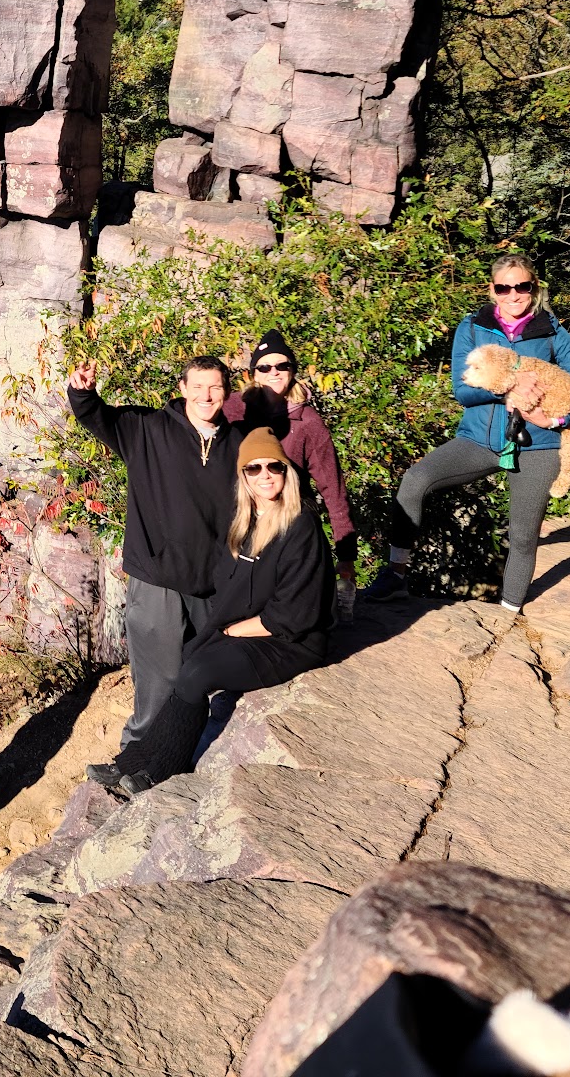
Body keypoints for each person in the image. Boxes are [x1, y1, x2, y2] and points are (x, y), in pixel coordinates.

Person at [370, 253, 570, 613]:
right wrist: (506, 386)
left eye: (522, 286)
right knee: (415, 480)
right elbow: (462, 392)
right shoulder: (472, 327)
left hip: (536, 447)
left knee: (524, 536)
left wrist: (557, 422)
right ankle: (395, 577)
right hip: (478, 442)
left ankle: (509, 613)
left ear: (534, 288)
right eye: (504, 288)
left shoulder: (551, 330)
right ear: (493, 290)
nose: (514, 295)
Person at [113, 426, 333, 794]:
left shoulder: (301, 525)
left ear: (286, 472)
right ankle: (136, 759)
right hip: (254, 630)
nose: (265, 476)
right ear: (243, 477)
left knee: (199, 672)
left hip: (291, 641)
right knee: (188, 659)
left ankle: (164, 769)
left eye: (273, 467)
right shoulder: (244, 523)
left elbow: (296, 612)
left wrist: (233, 631)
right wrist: (220, 630)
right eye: (254, 469)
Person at [67, 354, 241, 792]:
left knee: (207, 675)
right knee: (157, 675)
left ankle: (177, 760)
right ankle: (134, 757)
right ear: (182, 388)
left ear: (227, 391)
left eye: (215, 387)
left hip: (214, 580)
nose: (206, 396)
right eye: (197, 386)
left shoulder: (240, 445)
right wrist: (83, 390)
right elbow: (95, 416)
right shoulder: (147, 428)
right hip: (157, 575)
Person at [222, 329, 360, 617]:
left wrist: (346, 557)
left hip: (289, 519)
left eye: (282, 366)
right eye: (264, 367)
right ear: (253, 374)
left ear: (293, 371)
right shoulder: (233, 409)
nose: (274, 372)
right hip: (239, 515)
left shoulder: (308, 422)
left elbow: (332, 489)